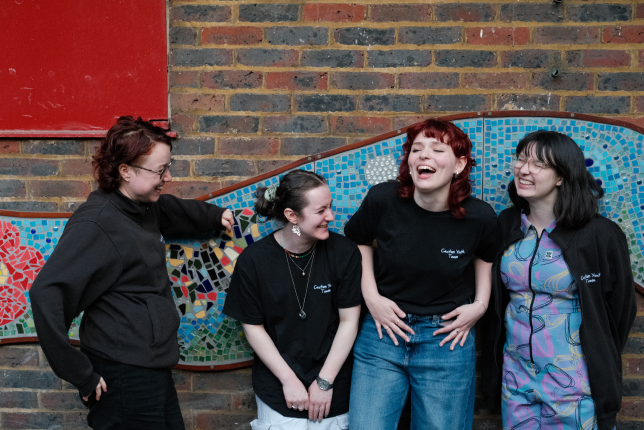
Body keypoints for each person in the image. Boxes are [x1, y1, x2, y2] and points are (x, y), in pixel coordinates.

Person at [30, 116, 234, 429]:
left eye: (168, 166)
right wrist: (80, 373)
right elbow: (45, 291)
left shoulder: (141, 206)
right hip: (122, 376)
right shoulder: (97, 224)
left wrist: (215, 215)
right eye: (159, 170)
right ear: (125, 171)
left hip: (151, 368)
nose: (167, 176)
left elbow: (169, 210)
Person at [345, 118, 500, 429]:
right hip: (382, 334)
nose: (423, 155)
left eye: (436, 149)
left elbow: (486, 259)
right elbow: (358, 241)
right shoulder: (382, 199)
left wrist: (480, 305)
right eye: (416, 149)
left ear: (459, 164)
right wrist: (372, 297)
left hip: (446, 340)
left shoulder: (480, 217)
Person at [480, 130, 636, 430]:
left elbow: (621, 310)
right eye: (521, 160)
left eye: (538, 164)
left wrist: (598, 354)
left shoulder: (599, 234)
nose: (524, 169)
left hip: (577, 386)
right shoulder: (506, 224)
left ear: (562, 176)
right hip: (517, 383)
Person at [223, 170, 362, 430]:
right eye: (321, 211)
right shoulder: (255, 261)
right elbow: (253, 326)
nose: (330, 216)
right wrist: (289, 380)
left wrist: (324, 382)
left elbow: (349, 320)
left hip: (335, 390)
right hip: (278, 390)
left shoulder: (345, 253)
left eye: (330, 207)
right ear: (291, 216)